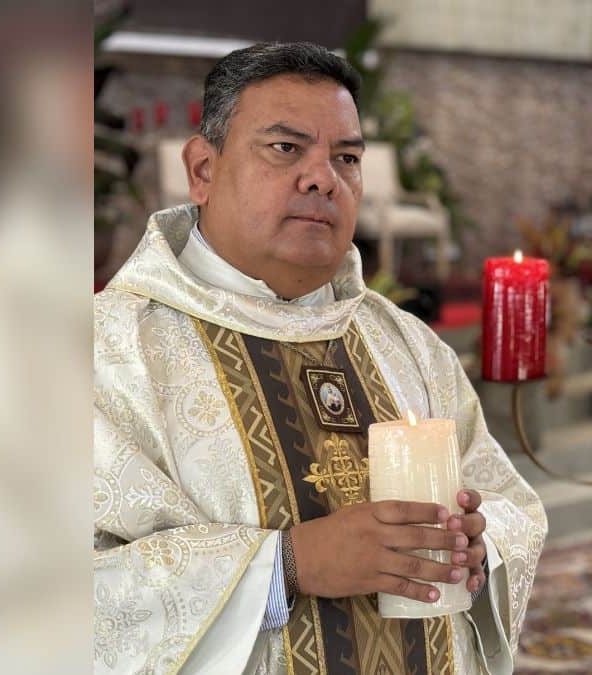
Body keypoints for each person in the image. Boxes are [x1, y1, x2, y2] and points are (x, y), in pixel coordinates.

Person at [94, 41, 547, 674]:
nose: (322, 177)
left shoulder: (407, 344)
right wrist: (287, 566)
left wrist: (481, 545)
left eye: (347, 157)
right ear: (202, 169)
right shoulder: (107, 353)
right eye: (285, 148)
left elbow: (506, 502)